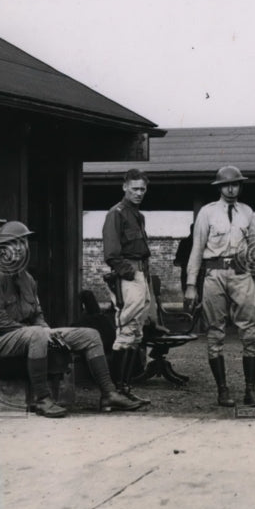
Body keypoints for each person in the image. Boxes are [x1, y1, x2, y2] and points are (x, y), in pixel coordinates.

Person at [0, 221, 143, 417]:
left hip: (30, 335)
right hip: (1, 340)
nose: (20, 248)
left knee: (90, 335)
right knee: (37, 334)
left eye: (24, 242)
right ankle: (42, 399)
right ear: (2, 249)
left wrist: (45, 329)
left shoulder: (27, 279)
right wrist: (35, 331)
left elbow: (37, 313)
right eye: (14, 243)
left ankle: (109, 393)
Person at [185, 165, 255, 407]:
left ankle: (250, 391)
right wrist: (191, 284)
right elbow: (197, 248)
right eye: (227, 185)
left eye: (236, 184)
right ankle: (223, 390)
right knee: (215, 331)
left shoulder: (247, 212)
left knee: (250, 331)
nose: (232, 188)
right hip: (214, 274)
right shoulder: (207, 213)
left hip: (240, 274)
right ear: (219, 187)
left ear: (240, 186)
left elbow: (253, 247)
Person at [102, 168, 155, 405]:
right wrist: (131, 274)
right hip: (128, 276)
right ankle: (113, 394)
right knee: (125, 331)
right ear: (124, 187)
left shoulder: (137, 215)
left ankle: (126, 389)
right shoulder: (117, 213)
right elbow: (112, 254)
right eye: (134, 188)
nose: (139, 193)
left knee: (136, 332)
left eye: (143, 189)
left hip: (141, 273)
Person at [173, 224, 194, 296]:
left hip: (186, 273)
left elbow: (177, 260)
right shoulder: (201, 243)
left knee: (187, 295)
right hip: (198, 274)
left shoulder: (184, 242)